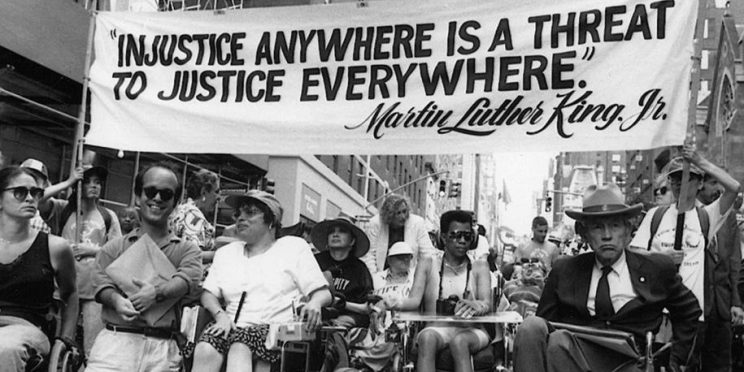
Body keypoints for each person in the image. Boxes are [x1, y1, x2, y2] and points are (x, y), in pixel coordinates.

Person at [513, 183, 701, 372]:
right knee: (537, 329)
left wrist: (674, 362)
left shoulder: (656, 268)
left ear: (628, 231)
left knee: (558, 342)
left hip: (630, 361)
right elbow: (545, 326)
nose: (607, 235)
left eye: (615, 225)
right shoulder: (565, 270)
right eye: (597, 227)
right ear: (585, 234)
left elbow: (689, 311)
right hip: (574, 357)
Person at [630, 147, 743, 372]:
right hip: (659, 315)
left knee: (686, 367)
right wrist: (661, 258)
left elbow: (734, 188)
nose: (680, 183)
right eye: (675, 178)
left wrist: (700, 161)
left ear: (699, 183)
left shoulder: (706, 217)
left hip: (693, 317)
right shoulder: (656, 216)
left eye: (687, 177)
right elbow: (633, 256)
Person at [192, 190, 331, 372]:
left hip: (275, 331)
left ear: (271, 220)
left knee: (240, 345)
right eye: (238, 213)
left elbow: (322, 292)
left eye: (249, 212)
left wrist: (315, 303)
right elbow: (209, 293)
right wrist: (220, 316)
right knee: (205, 347)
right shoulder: (227, 253)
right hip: (230, 324)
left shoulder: (293, 248)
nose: (240, 218)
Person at [87, 163, 203, 371]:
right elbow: (100, 283)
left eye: (166, 194)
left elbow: (188, 279)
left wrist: (156, 293)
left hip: (162, 349)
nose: (157, 198)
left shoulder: (187, 250)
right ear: (138, 196)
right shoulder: (114, 247)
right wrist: (116, 300)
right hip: (115, 342)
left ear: (175, 202)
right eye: (150, 191)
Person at [382, 210, 492, 372]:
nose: (462, 241)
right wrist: (389, 302)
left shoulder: (480, 266)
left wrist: (477, 305)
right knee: (427, 338)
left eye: (467, 236)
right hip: (436, 328)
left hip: (472, 331)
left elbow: (486, 303)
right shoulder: (427, 263)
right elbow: (414, 300)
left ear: (473, 239)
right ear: (443, 237)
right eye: (456, 235)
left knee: (459, 342)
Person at [0, 166, 79, 371]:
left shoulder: (55, 247)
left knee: (4, 347)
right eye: (20, 192)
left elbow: (70, 294)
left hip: (27, 328)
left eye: (35, 193)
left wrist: (66, 340)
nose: (29, 198)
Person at [59, 165, 122, 355]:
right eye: (87, 182)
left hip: (93, 287)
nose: (93, 186)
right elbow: (41, 200)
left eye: (97, 182)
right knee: (60, 342)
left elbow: (119, 251)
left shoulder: (108, 216)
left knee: (92, 344)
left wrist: (92, 250)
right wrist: (70, 181)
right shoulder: (63, 209)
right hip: (64, 286)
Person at [311, 216, 374, 329]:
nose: (335, 234)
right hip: (315, 314)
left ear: (352, 241)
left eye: (342, 231)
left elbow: (367, 307)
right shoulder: (314, 261)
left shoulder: (360, 269)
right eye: (331, 232)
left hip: (347, 319)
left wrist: (343, 304)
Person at [361, 194, 436, 274]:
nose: (403, 216)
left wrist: (420, 278)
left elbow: (428, 254)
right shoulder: (375, 224)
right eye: (398, 213)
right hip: (380, 275)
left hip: (410, 278)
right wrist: (375, 278)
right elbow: (369, 254)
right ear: (389, 215)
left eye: (404, 211)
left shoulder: (417, 223)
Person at [169, 169, 220, 263]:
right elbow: (192, 255)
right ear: (204, 192)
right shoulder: (194, 215)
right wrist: (221, 254)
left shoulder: (181, 209)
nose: (219, 197)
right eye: (216, 191)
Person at [20, 158, 82, 234]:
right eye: (26, 177)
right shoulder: (8, 197)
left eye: (36, 179)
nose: (30, 182)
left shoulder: (49, 205)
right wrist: (68, 182)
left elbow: (39, 198)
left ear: (45, 184)